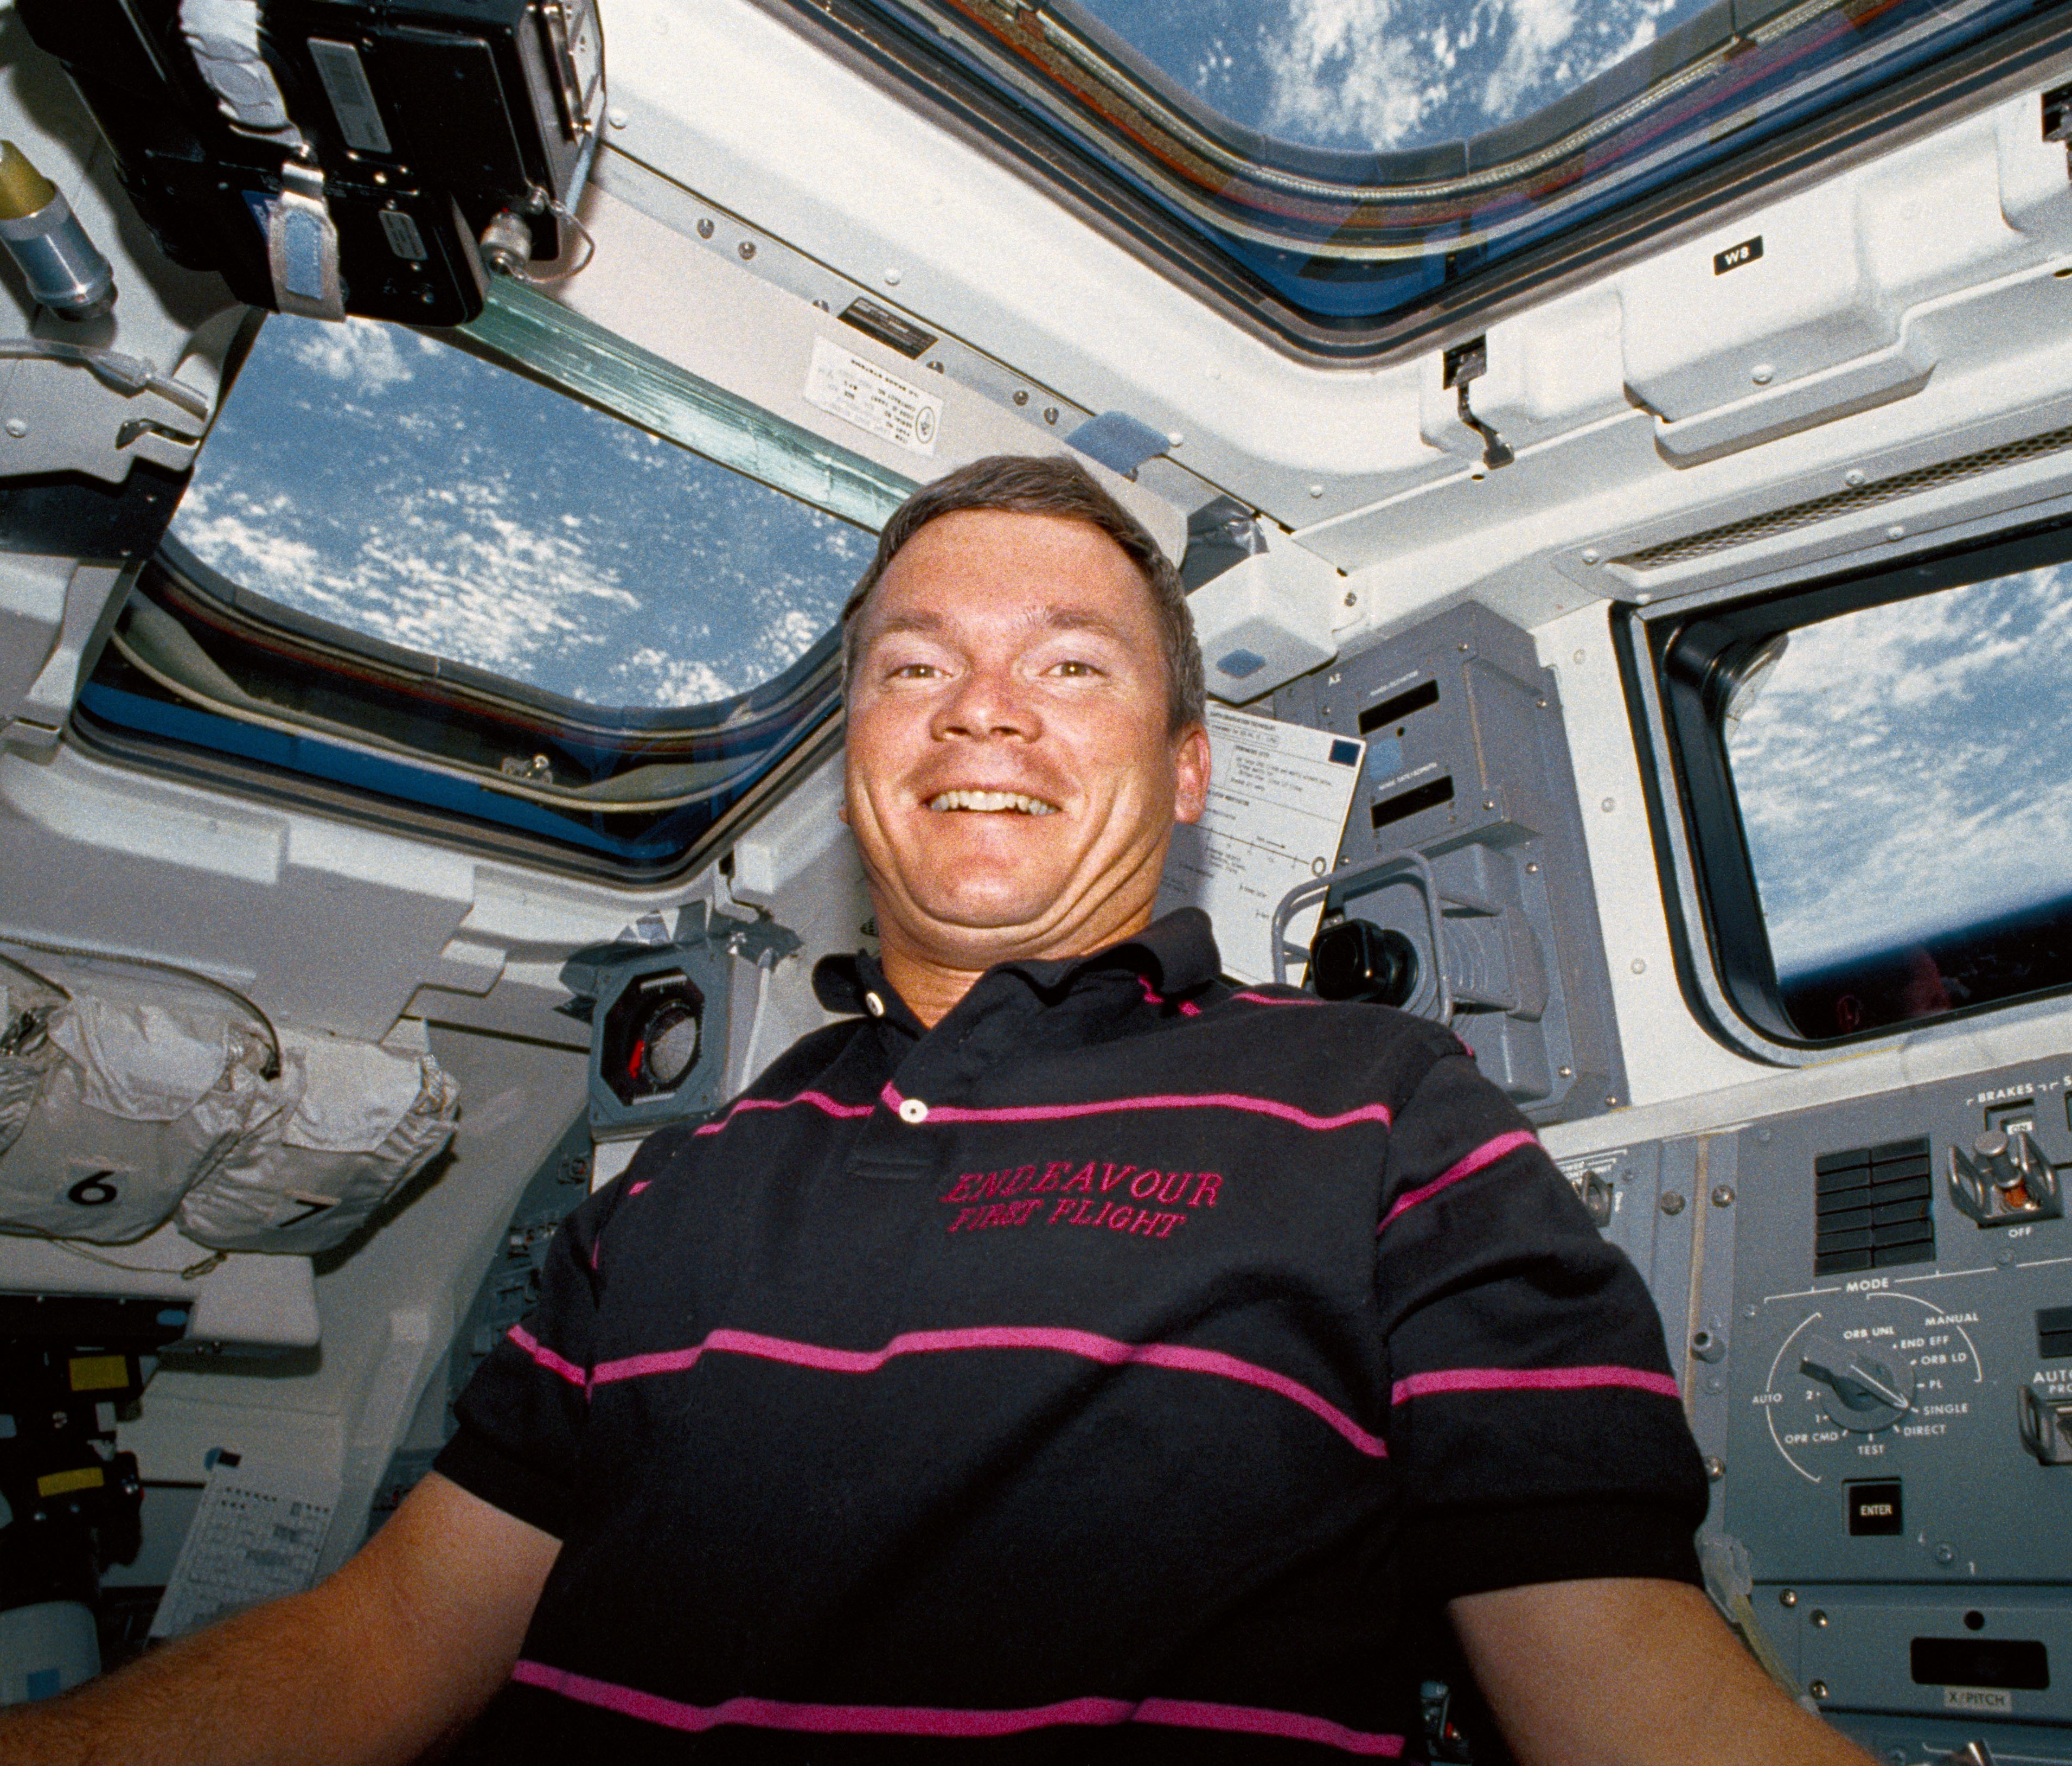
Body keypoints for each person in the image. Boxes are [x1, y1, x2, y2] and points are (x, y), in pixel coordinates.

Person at [2, 456, 1872, 1764]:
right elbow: (385, 1644)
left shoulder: (1390, 1117)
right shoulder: (669, 1194)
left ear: (1187, 762)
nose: (982, 711)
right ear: (859, 756)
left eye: (1071, 663)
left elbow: (1621, 1678)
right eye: (915, 665)